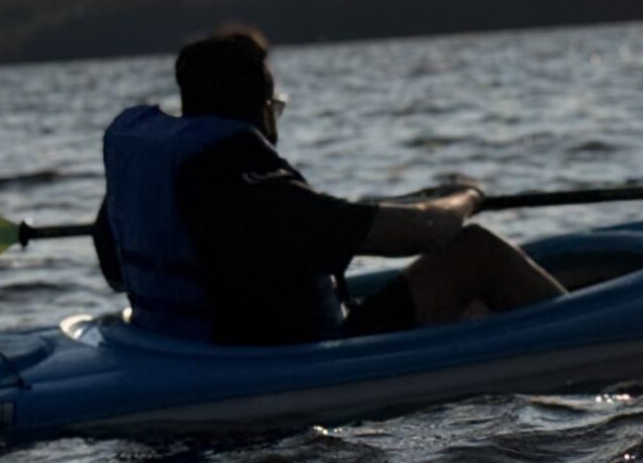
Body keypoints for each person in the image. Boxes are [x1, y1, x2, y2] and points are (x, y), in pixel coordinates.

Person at [100, 26, 566, 346]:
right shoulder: (260, 193)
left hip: (182, 350)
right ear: (262, 109)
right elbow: (426, 234)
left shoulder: (159, 173)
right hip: (287, 359)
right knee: (476, 250)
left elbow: (115, 272)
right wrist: (467, 196)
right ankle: (587, 332)